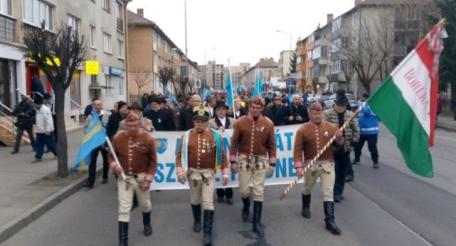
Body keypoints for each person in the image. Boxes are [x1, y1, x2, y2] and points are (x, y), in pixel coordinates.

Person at [176, 104, 229, 246]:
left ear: (207, 122)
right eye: (197, 121)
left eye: (203, 121)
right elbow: (179, 156)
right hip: (192, 174)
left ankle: (207, 233)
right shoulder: (186, 136)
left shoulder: (216, 136)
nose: (200, 124)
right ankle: (197, 220)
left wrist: (225, 174)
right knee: (194, 200)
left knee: (208, 202)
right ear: (194, 122)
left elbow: (223, 157)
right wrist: (180, 171)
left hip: (208, 175)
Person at [294, 101, 344, 235]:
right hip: (311, 165)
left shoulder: (332, 127)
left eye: (319, 112)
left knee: (328, 192)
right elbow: (297, 150)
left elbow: (339, 145)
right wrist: (299, 167)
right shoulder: (302, 130)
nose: (317, 115)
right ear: (310, 113)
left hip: (327, 164)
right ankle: (305, 206)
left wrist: (339, 138)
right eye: (315, 113)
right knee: (307, 188)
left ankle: (329, 221)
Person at [108, 112, 157, 246]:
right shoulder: (118, 138)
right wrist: (114, 165)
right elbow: (111, 155)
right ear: (125, 126)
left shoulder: (148, 139)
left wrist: (148, 178)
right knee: (124, 208)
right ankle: (123, 241)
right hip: (125, 179)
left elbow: (153, 161)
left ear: (140, 125)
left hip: (142, 177)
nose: (132, 128)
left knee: (145, 205)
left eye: (135, 126)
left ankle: (147, 223)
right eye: (129, 126)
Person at [230, 97, 276, 237]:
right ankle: (245, 205)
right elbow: (234, 143)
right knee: (244, 191)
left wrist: (272, 163)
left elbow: (272, 146)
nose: (255, 110)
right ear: (250, 107)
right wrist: (233, 161)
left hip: (261, 160)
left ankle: (256, 223)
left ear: (262, 108)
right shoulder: (240, 122)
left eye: (258, 108)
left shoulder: (268, 124)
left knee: (258, 191)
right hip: (244, 159)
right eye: (253, 107)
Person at [324, 90, 359, 202]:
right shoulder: (327, 114)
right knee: (332, 171)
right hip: (331, 148)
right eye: (339, 105)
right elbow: (322, 130)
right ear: (335, 104)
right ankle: (331, 191)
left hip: (345, 148)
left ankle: (338, 193)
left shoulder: (350, 115)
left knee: (342, 172)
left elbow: (356, 130)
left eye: (343, 106)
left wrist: (354, 141)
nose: (341, 108)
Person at [208, 101, 235, 205]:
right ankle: (219, 194)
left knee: (229, 172)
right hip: (217, 150)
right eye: (219, 110)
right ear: (215, 111)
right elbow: (207, 132)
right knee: (218, 170)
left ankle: (229, 195)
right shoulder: (211, 122)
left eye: (223, 109)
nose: (222, 112)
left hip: (230, 149)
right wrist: (216, 130)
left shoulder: (232, 121)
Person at [83, 99, 109, 188]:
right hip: (94, 143)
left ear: (102, 106)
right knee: (92, 161)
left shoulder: (106, 115)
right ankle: (91, 182)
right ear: (93, 106)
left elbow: (109, 127)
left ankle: (105, 176)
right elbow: (85, 128)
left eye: (99, 105)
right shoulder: (90, 116)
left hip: (104, 142)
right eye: (95, 105)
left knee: (106, 160)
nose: (97, 106)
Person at [353, 93, 380, 168]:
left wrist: (361, 105)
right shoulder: (362, 106)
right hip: (361, 132)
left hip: (372, 133)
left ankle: (375, 162)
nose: (361, 99)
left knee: (372, 147)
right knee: (357, 147)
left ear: (366, 99)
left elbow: (366, 111)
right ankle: (356, 158)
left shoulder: (373, 107)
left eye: (363, 98)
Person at [32, 96, 57, 162]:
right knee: (39, 144)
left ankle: (57, 154)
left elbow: (49, 120)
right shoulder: (37, 109)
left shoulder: (45, 110)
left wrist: (48, 130)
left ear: (39, 104)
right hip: (40, 131)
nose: (34, 105)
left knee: (51, 144)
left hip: (46, 131)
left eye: (35, 104)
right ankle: (38, 157)